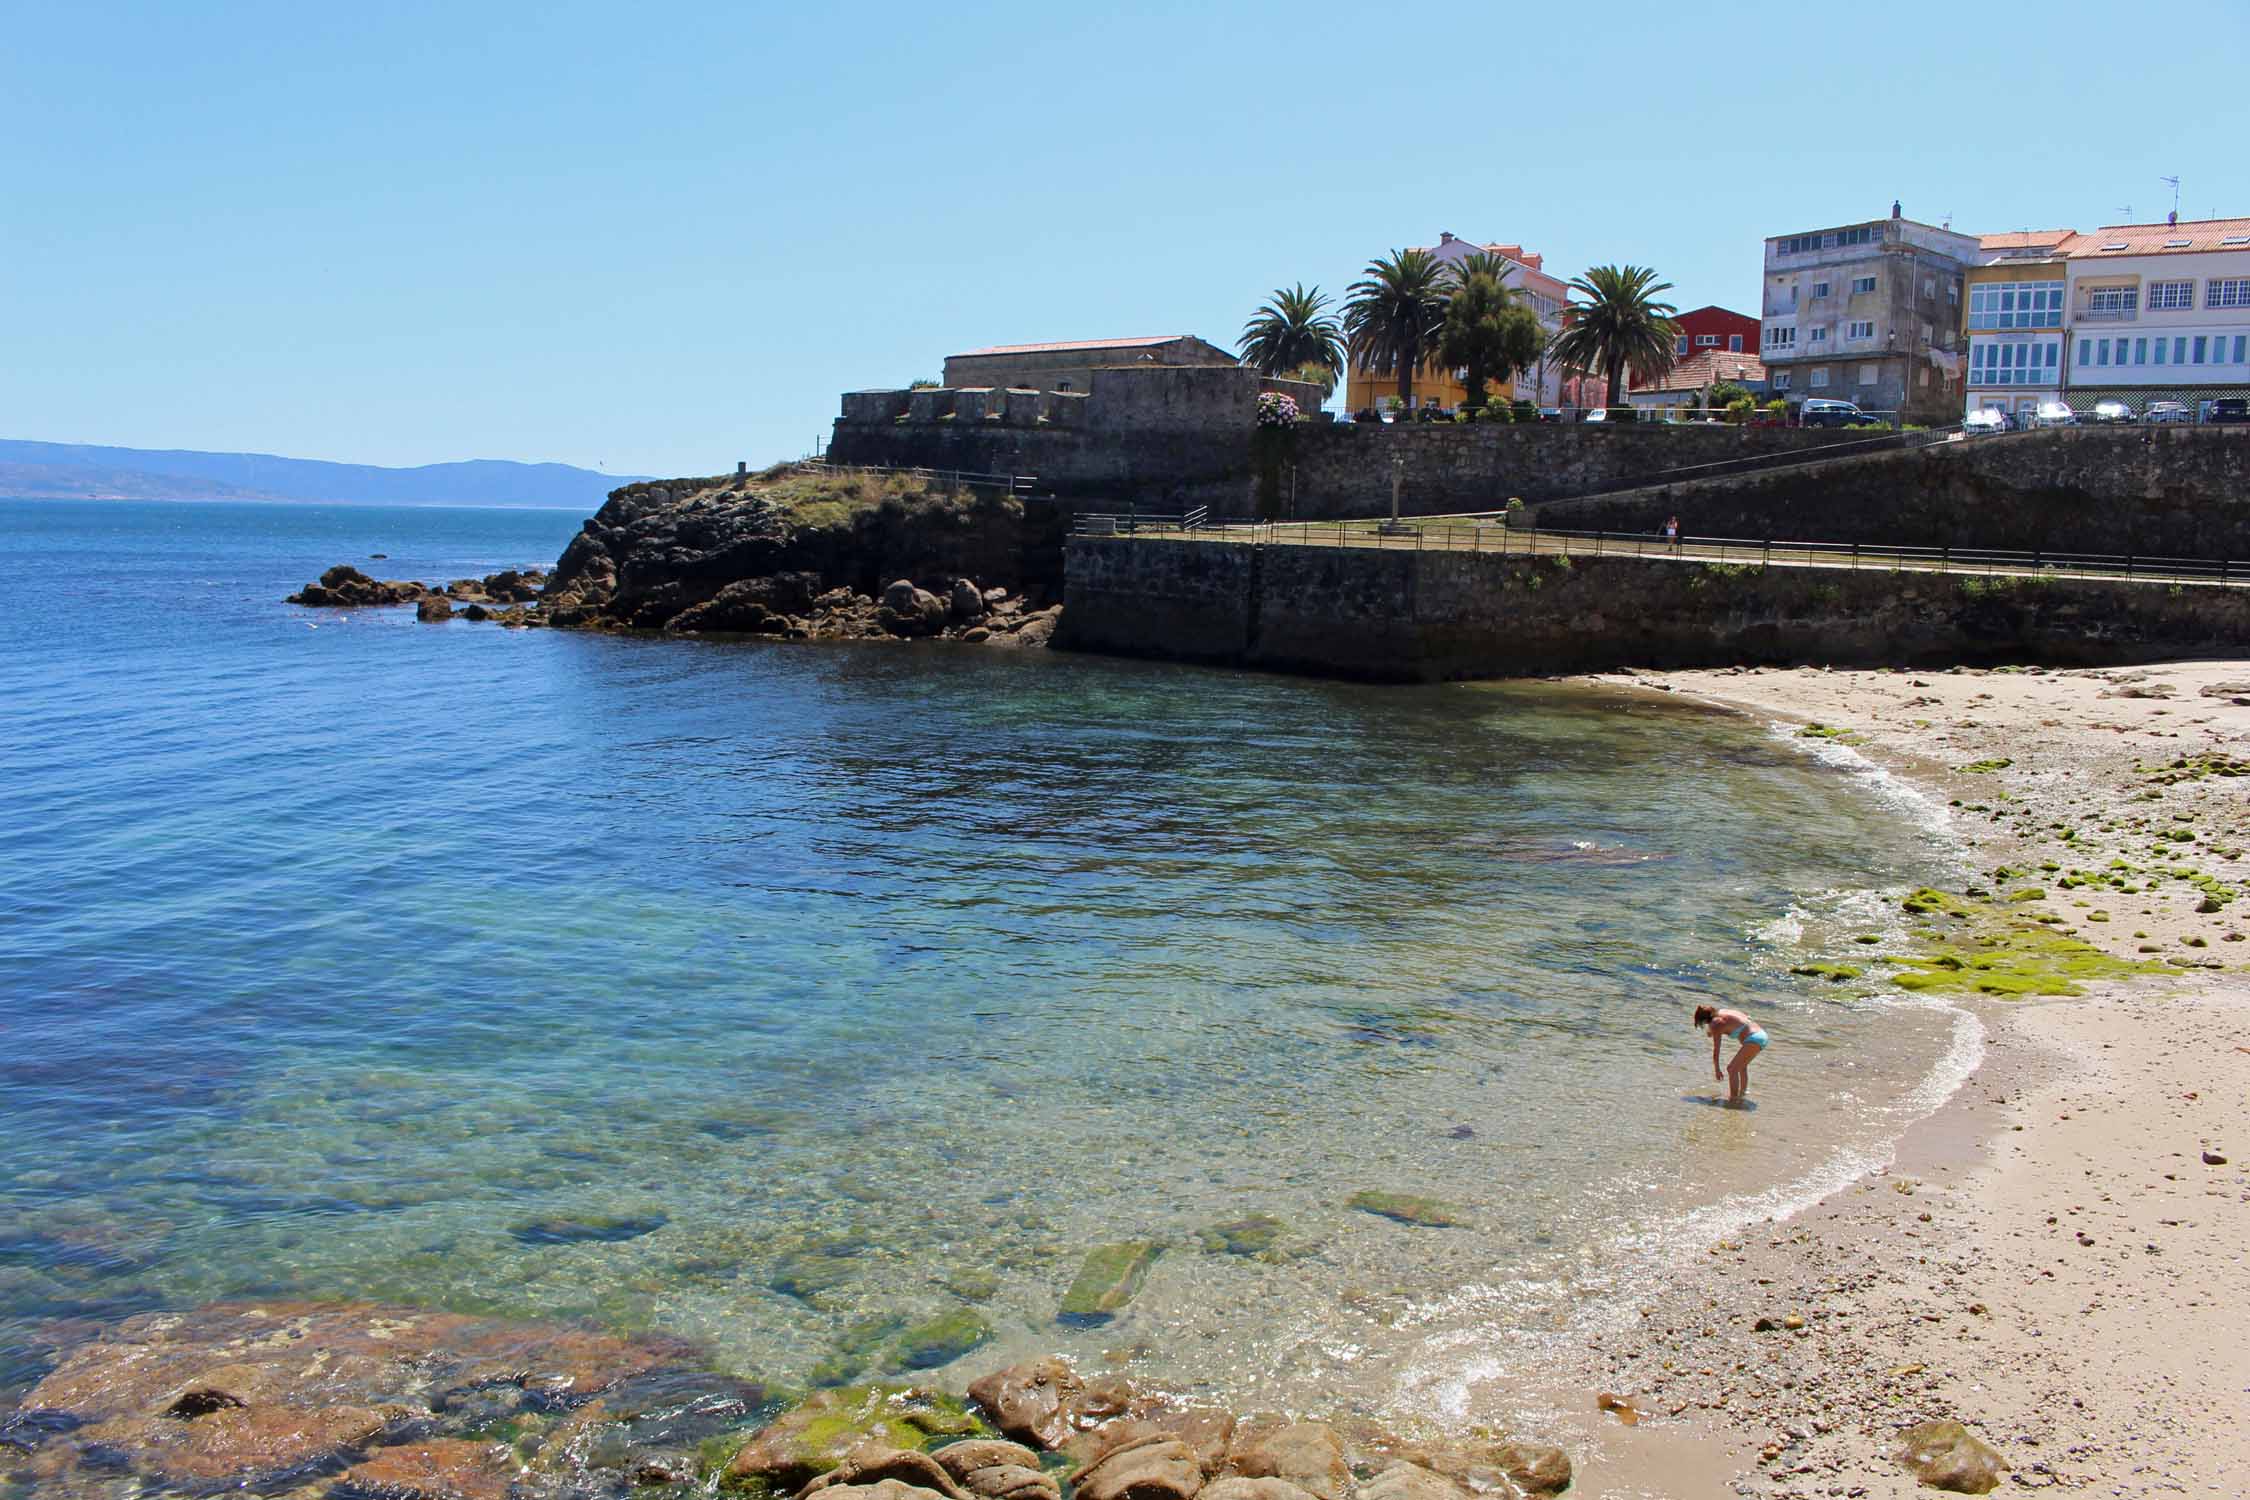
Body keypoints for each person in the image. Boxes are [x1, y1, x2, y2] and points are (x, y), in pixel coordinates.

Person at [1692, 1004, 1767, 1105]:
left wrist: (1717, 1070)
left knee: (1731, 1069)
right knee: (1741, 1067)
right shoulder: (1723, 1013)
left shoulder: (1716, 1024)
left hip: (1753, 1038)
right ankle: (1741, 1095)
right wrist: (1712, 1031)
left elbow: (1716, 1050)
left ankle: (1733, 1099)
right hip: (1761, 1035)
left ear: (1703, 1020)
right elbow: (1738, 1021)